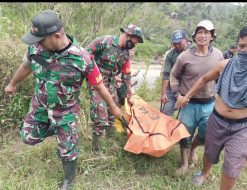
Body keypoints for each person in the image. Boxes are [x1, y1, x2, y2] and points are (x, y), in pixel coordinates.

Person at [4, 10, 121, 190]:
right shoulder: (36, 49)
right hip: (40, 106)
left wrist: (113, 107)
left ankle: (68, 181)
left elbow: (99, 86)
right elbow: (25, 67)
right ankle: (54, 128)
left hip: (66, 112)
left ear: (57, 35)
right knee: (28, 137)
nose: (38, 44)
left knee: (67, 151)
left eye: (41, 39)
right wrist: (12, 84)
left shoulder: (82, 59)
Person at [177, 25, 247, 190]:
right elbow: (203, 79)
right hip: (217, 120)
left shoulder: (216, 53)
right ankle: (204, 173)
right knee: (209, 152)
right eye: (242, 46)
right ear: (237, 46)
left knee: (232, 167)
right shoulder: (225, 65)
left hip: (243, 126)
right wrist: (187, 96)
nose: (245, 51)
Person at [169, 20, 224, 175]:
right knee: (185, 135)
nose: (202, 35)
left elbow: (222, 77)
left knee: (207, 136)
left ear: (212, 36)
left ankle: (193, 148)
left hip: (209, 103)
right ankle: (185, 164)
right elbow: (173, 76)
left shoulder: (218, 55)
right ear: (194, 36)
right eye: (199, 32)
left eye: (206, 32)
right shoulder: (185, 56)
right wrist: (177, 95)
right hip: (188, 104)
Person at [85, 24, 143, 156]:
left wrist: (129, 94)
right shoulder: (104, 41)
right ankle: (96, 152)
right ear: (128, 35)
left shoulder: (126, 53)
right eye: (134, 42)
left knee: (113, 111)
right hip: (96, 81)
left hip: (111, 82)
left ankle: (111, 142)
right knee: (100, 115)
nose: (134, 45)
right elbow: (85, 54)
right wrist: (91, 73)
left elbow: (127, 73)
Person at [160, 29, 189, 116]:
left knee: (184, 118)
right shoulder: (170, 55)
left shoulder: (192, 53)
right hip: (172, 87)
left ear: (186, 40)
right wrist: (163, 93)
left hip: (187, 88)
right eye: (174, 43)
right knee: (166, 113)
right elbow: (166, 74)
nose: (177, 45)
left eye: (179, 43)